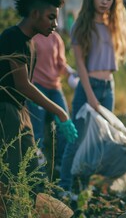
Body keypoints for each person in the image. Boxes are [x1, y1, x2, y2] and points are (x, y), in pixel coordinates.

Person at [0, 0, 77, 215]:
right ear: (35, 14)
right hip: (6, 112)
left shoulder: (30, 43)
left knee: (33, 172)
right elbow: (23, 84)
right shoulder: (11, 37)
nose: (55, 24)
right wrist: (60, 111)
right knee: (9, 176)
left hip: (20, 111)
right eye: (51, 17)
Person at [59, 0, 126, 196]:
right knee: (77, 139)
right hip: (87, 87)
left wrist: (102, 93)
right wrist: (90, 95)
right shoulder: (81, 25)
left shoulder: (114, 24)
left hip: (108, 87)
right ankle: (64, 188)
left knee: (97, 141)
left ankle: (83, 189)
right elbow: (80, 64)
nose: (104, 2)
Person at [27, 31, 77, 177]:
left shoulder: (55, 38)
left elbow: (61, 63)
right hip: (37, 87)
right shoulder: (32, 37)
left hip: (55, 88)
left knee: (65, 127)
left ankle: (62, 169)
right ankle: (38, 176)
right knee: (37, 134)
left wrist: (71, 72)